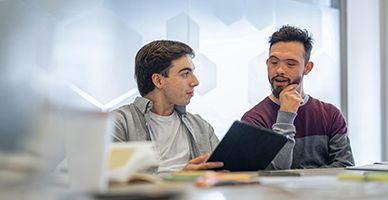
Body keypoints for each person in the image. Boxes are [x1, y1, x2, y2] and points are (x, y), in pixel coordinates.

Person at [241, 25, 354, 169]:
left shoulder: (330, 114)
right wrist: (286, 117)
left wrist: (300, 180)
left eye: (290, 64)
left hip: (323, 192)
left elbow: (345, 168)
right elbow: (271, 175)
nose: (280, 70)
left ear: (307, 68)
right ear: (267, 63)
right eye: (274, 62)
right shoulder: (253, 120)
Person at [112, 40, 223, 171]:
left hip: (196, 192)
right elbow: (114, 181)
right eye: (185, 74)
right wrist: (180, 178)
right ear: (158, 81)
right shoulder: (118, 123)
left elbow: (221, 172)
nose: (195, 82)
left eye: (192, 73)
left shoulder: (201, 126)